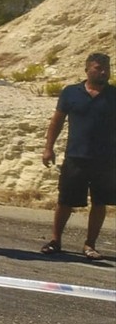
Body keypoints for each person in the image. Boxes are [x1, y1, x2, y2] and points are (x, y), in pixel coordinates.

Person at [40, 52, 114, 260]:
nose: (103, 72)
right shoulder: (71, 93)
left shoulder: (113, 95)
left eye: (106, 68)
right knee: (65, 201)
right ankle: (55, 241)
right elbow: (57, 121)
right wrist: (48, 148)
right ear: (87, 69)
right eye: (98, 68)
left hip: (106, 160)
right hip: (75, 156)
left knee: (100, 203)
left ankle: (90, 245)